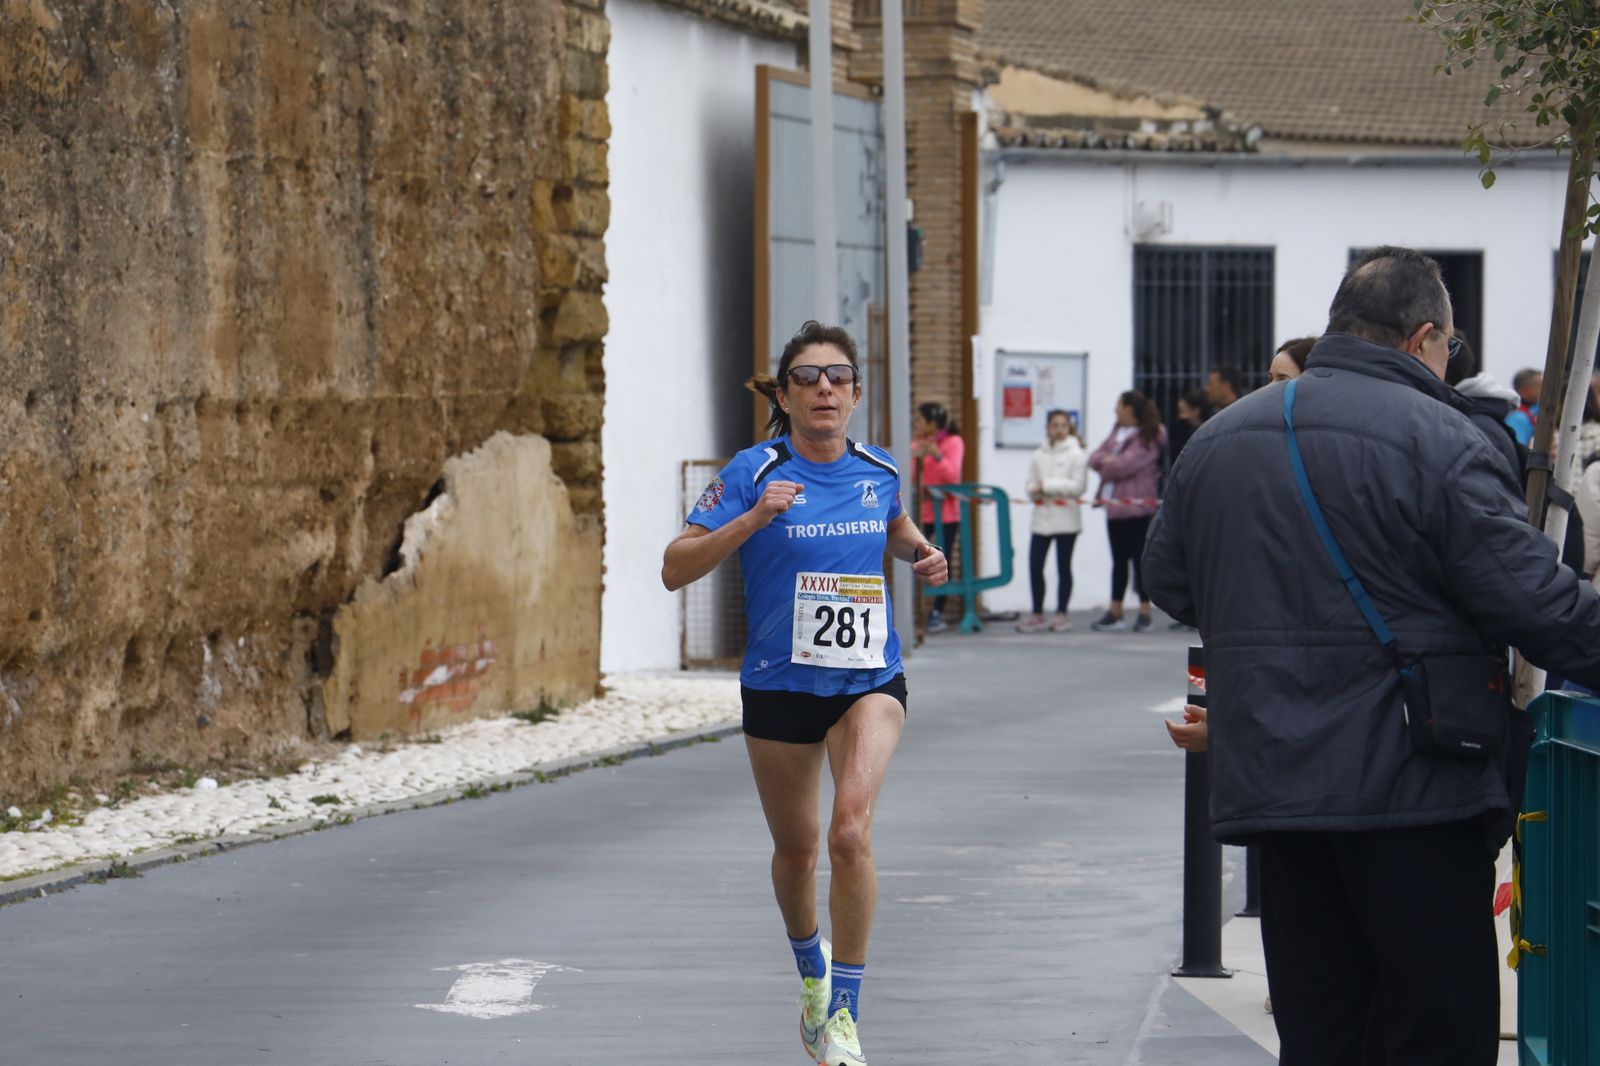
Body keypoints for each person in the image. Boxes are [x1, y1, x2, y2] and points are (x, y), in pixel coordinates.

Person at [1143, 246, 1600, 1066]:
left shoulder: (1218, 439)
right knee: (1436, 1030)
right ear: (1425, 336)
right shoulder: (1441, 436)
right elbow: (1536, 602)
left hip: (1278, 787)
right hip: (1413, 785)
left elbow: (1170, 581)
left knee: (1321, 1031)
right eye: (1450, 346)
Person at [661, 320, 948, 1066]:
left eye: (838, 376)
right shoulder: (751, 472)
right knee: (796, 855)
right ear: (785, 397)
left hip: (869, 679)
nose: (825, 387)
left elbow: (894, 525)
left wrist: (922, 552)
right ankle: (812, 972)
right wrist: (754, 517)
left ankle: (845, 1014)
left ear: (855, 394)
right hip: (780, 684)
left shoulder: (878, 467)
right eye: (807, 377)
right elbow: (675, 567)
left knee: (850, 832)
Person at [1087, 390, 1166, 632]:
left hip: (1136, 507)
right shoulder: (1117, 432)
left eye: (1119, 405)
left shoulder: (1148, 436)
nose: (1115, 410)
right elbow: (1094, 458)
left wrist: (1108, 462)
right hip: (1114, 506)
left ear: (1129, 409)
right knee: (1118, 560)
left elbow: (1122, 466)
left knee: (1139, 560)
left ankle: (1144, 610)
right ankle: (1115, 610)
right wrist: (1107, 461)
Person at [1017, 409, 1087, 633]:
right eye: (1054, 425)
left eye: (1063, 425)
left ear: (1069, 428)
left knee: (1063, 567)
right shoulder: (1039, 454)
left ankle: (1061, 613)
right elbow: (1029, 485)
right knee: (1035, 566)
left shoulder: (1077, 454)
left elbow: (1077, 487)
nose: (1059, 430)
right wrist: (1036, 490)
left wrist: (1047, 486)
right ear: (1048, 428)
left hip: (1066, 519)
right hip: (1042, 518)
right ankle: (1037, 613)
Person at [912, 402, 964, 633]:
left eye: (920, 420)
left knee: (942, 559)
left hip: (946, 515)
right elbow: (908, 475)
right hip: (921, 513)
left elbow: (952, 477)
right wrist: (917, 455)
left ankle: (937, 611)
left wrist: (937, 456)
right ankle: (915, 609)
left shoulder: (953, 442)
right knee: (914, 558)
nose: (916, 424)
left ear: (932, 423)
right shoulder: (918, 443)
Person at [1167, 389, 1210, 464]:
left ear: (1196, 411)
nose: (1180, 416)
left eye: (1182, 411)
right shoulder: (1181, 429)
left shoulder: (1208, 431)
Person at [1506, 367, 1543, 445]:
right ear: (1526, 389)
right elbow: (1519, 447)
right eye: (1539, 385)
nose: (1543, 389)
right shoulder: (1517, 418)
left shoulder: (1533, 411)